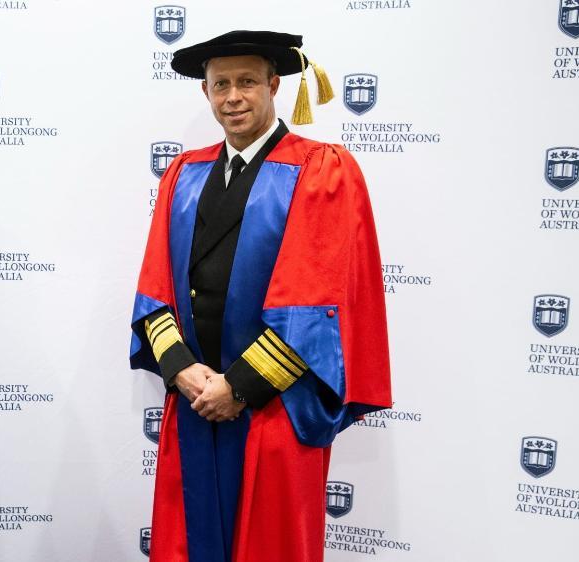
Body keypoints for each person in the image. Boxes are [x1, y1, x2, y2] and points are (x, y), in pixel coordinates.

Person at [129, 31, 392, 562]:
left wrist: (239, 388)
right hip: (196, 398)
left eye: (247, 81)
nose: (233, 96)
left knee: (269, 544)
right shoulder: (185, 172)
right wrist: (182, 369)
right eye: (220, 84)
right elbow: (155, 286)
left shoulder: (320, 169)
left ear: (274, 85)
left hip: (273, 404)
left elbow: (315, 304)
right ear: (205, 94)